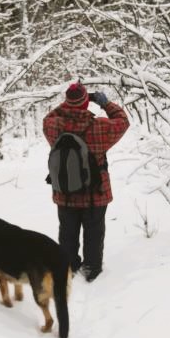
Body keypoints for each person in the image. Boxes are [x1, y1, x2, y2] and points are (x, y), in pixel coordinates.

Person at [43, 81, 130, 282]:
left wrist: (68, 104)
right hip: (95, 193)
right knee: (94, 233)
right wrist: (106, 104)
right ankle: (91, 269)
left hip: (65, 193)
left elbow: (48, 117)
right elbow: (123, 121)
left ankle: (68, 267)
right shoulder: (99, 127)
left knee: (67, 233)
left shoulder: (54, 126)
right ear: (85, 103)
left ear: (66, 102)